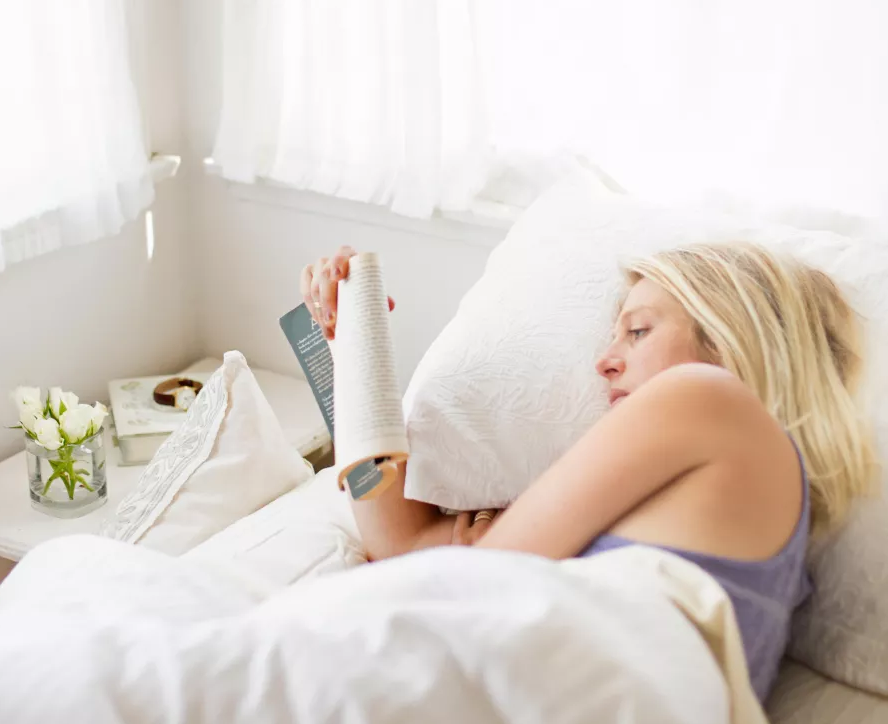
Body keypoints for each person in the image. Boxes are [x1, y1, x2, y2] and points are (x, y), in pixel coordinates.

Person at [301, 241, 878, 700]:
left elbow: (466, 589)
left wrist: (492, 555)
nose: (604, 361)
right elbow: (399, 544)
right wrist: (350, 347)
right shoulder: (715, 508)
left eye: (639, 330)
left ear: (730, 338)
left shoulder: (706, 397)